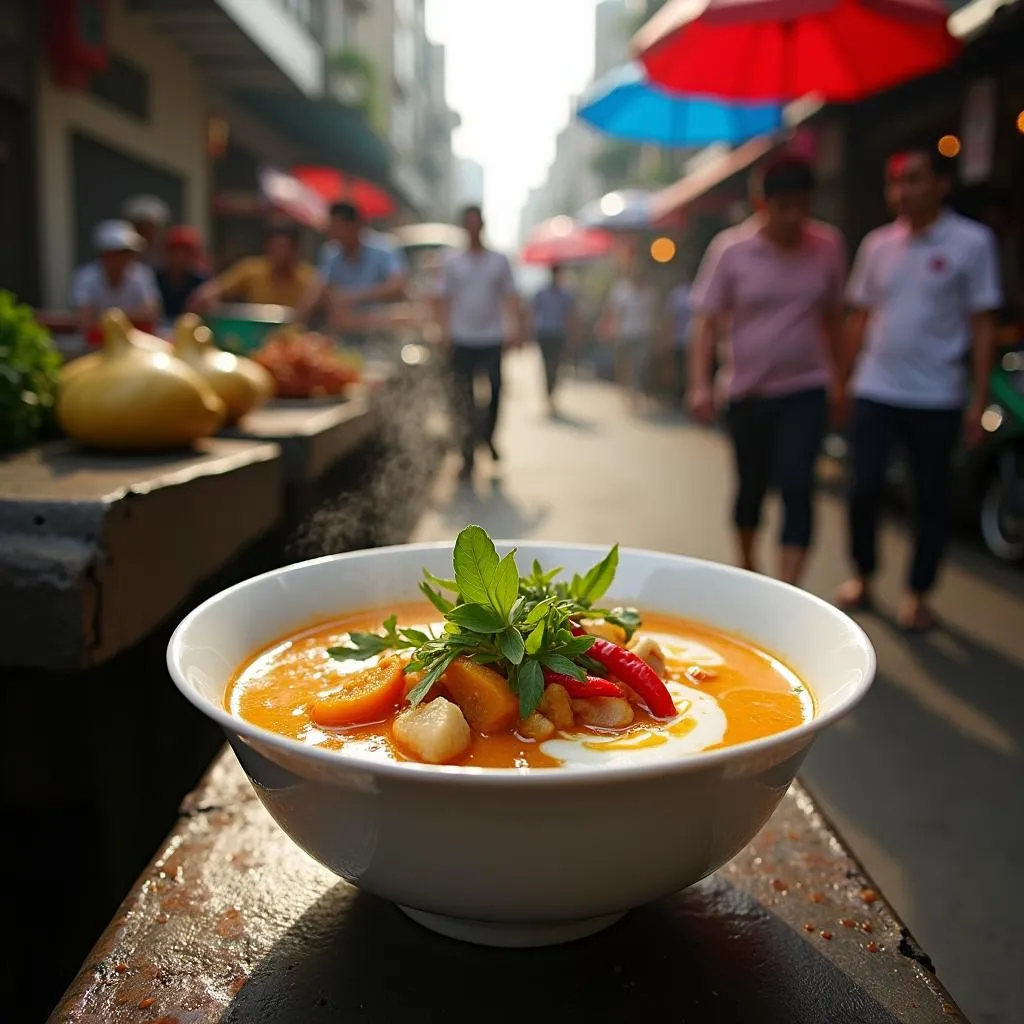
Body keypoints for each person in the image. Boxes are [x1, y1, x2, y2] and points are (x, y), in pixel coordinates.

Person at [835, 145, 1002, 631]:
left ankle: (918, 593)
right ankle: (864, 576)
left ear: (940, 185)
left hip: (939, 395)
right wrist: (843, 383)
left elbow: (984, 323)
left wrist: (979, 399)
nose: (901, 192)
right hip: (876, 387)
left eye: (913, 180)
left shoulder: (972, 243)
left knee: (930, 498)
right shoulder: (878, 245)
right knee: (863, 488)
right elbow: (859, 317)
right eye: (894, 182)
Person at [688, 154, 846, 587]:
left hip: (806, 387)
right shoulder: (731, 250)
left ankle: (789, 587)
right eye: (784, 207)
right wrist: (700, 384)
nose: (794, 217)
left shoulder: (827, 246)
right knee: (751, 486)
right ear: (762, 203)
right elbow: (705, 322)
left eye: (802, 205)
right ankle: (748, 568)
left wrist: (841, 382)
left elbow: (835, 319)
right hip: (747, 392)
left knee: (798, 485)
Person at [436, 205, 524, 482]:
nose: (472, 229)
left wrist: (516, 329)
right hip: (462, 338)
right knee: (462, 398)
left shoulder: (498, 261)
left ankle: (487, 436)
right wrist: (443, 332)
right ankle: (467, 457)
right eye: (468, 224)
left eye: (476, 223)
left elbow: (510, 296)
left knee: (496, 390)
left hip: (491, 337)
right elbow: (443, 299)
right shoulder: (451, 261)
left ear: (482, 226)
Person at [297, 202, 408, 328]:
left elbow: (397, 286)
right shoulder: (331, 252)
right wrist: (297, 321)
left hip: (381, 324)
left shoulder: (385, 247)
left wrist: (353, 296)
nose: (332, 231)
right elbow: (317, 291)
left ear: (355, 225)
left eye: (338, 226)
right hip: (346, 326)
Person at [190, 224, 317, 312]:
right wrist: (209, 298)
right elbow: (213, 289)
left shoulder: (309, 277)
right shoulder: (251, 270)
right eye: (275, 248)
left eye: (284, 249)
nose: (280, 254)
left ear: (296, 251)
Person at [71, 219, 161, 338]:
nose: (124, 258)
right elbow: (84, 318)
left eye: (127, 252)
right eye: (119, 252)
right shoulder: (85, 276)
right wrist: (129, 317)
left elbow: (151, 313)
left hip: (134, 341)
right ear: (104, 253)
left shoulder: (142, 274)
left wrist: (109, 317)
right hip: (96, 343)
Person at [599, 257, 659, 411]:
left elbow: (654, 314)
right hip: (625, 333)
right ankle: (627, 390)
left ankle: (636, 392)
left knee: (640, 365)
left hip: (643, 333)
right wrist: (609, 329)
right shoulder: (621, 290)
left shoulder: (650, 292)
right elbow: (612, 312)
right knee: (626, 365)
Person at [530, 264, 578, 413]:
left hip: (558, 333)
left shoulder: (565, 295)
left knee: (557, 365)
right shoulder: (541, 293)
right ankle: (548, 395)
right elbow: (533, 312)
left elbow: (570, 316)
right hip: (544, 333)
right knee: (546, 365)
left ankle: (553, 394)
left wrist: (573, 333)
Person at [156, 226, 208, 322]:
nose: (179, 257)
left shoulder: (201, 282)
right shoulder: (154, 279)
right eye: (175, 251)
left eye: (185, 252)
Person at [661, 278, 693, 403]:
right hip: (679, 339)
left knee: (689, 369)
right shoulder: (677, 293)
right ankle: (679, 395)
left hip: (693, 341)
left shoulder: (698, 290)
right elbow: (670, 317)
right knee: (680, 369)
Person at [122, 194, 171, 268]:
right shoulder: (121, 252)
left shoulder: (166, 254)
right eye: (139, 226)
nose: (143, 231)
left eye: (148, 226)